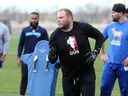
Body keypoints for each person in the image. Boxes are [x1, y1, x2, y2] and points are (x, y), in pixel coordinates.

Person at [48, 8, 105, 96]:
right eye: (57, 18)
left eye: (61, 18)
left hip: (86, 72)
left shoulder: (83, 27)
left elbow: (100, 37)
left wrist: (95, 52)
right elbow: (52, 60)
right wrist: (52, 55)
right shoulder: (55, 36)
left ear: (70, 18)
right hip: (68, 75)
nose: (58, 20)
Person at [17, 12, 49, 96]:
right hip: (26, 58)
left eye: (35, 18)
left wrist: (45, 58)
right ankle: (22, 94)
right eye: (32, 18)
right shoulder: (25, 30)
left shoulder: (43, 31)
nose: (34, 20)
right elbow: (21, 44)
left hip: (38, 59)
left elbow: (46, 45)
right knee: (24, 77)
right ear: (29, 19)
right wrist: (18, 57)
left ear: (38, 19)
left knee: (37, 78)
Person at [100, 3, 128, 96]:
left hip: (124, 65)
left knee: (125, 91)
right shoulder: (110, 26)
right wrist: (102, 54)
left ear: (121, 13)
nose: (112, 14)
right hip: (109, 64)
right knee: (104, 88)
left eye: (114, 12)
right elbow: (100, 39)